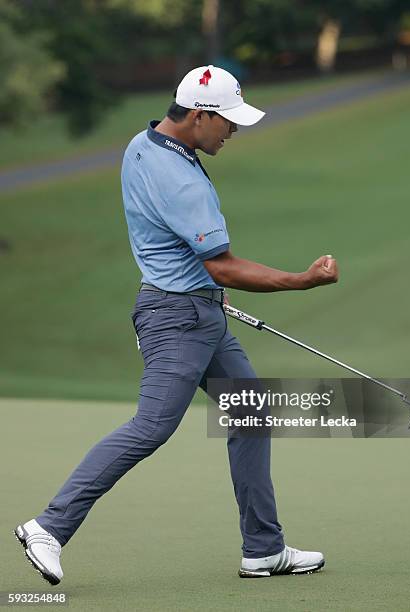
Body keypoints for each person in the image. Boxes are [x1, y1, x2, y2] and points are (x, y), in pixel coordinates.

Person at [14, 65, 338, 584]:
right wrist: (302, 280)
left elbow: (189, 254)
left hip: (196, 309)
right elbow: (223, 264)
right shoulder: (182, 179)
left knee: (250, 411)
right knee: (152, 427)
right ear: (197, 115)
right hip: (178, 319)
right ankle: (48, 527)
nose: (232, 131)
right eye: (227, 121)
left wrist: (204, 285)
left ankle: (263, 549)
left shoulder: (143, 145)